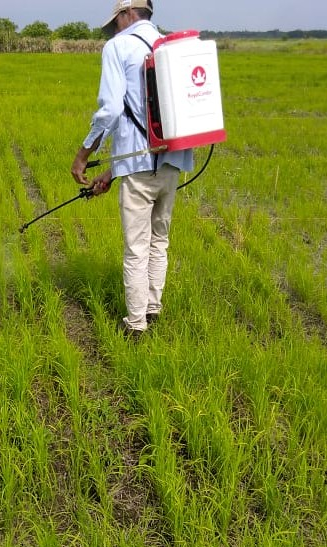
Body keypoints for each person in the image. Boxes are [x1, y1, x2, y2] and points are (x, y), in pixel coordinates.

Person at [71, 0, 193, 339]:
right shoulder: (170, 46)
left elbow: (110, 111)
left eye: (116, 21)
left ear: (126, 14)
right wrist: (110, 173)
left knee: (136, 248)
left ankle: (136, 325)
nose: (115, 28)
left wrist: (83, 154)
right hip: (172, 161)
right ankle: (153, 309)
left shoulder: (117, 47)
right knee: (159, 241)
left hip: (139, 168)